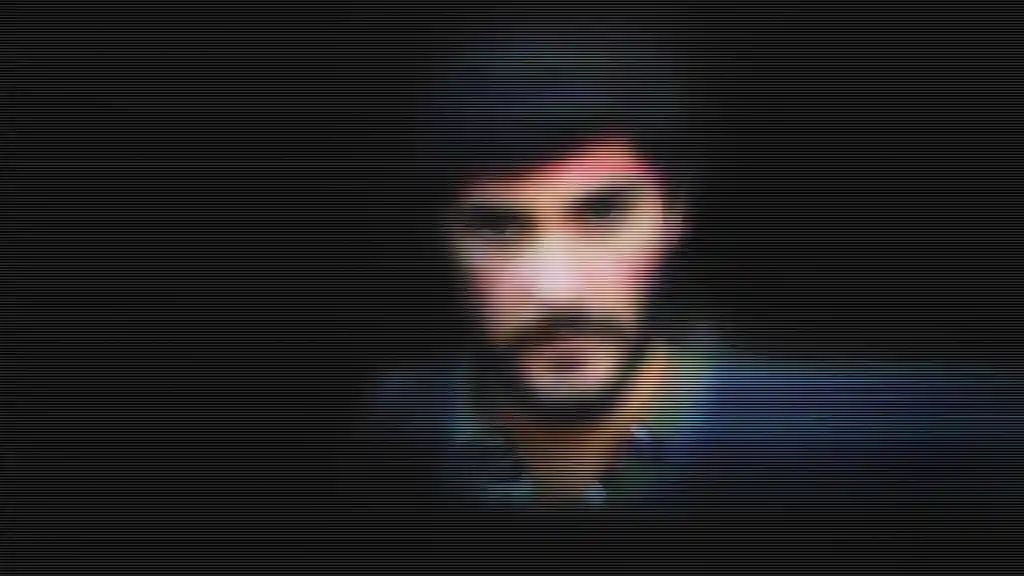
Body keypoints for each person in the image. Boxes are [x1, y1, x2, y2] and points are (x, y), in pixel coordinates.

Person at [362, 33, 1012, 510]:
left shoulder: (880, 443)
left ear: (674, 216)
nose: (558, 289)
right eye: (496, 228)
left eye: (603, 215)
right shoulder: (383, 441)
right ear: (440, 238)